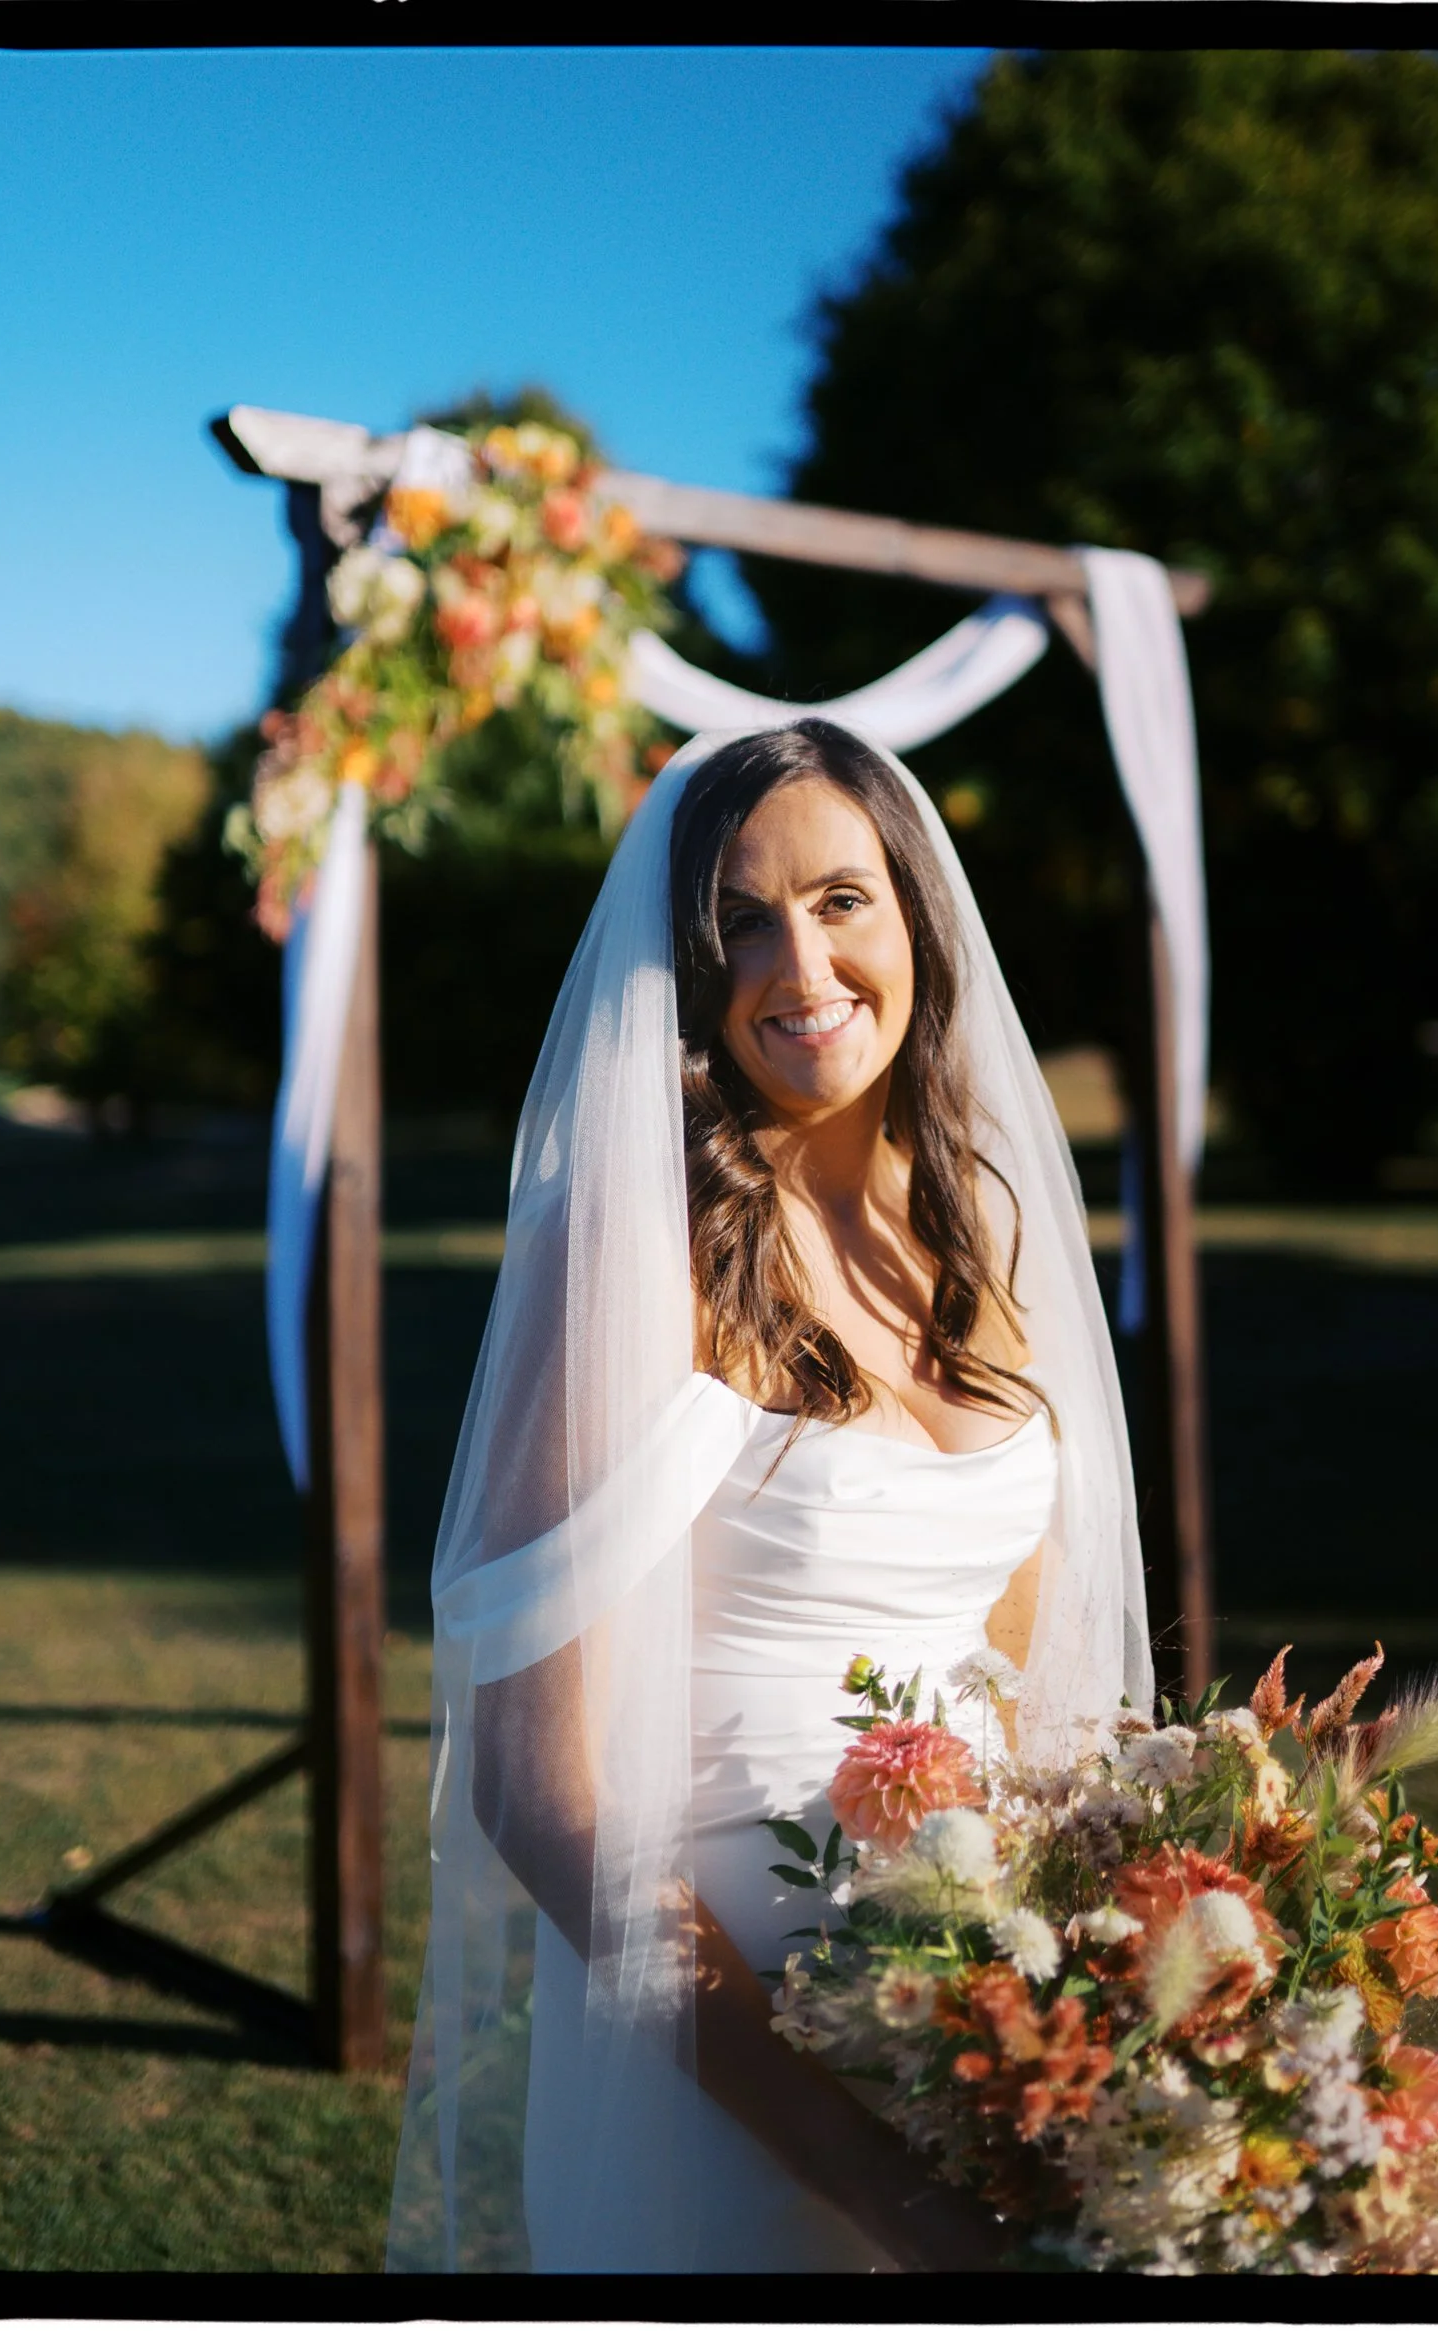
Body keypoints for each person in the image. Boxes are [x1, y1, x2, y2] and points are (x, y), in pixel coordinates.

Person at [387, 719, 1151, 2275]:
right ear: (684, 969)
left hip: (986, 2022)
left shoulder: (976, 1242)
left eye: (839, 899)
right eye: (739, 920)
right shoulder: (627, 1255)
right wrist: (873, 2181)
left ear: (916, 917)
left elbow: (1022, 1674)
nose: (796, 958)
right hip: (722, 2066)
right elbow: (537, 1791)